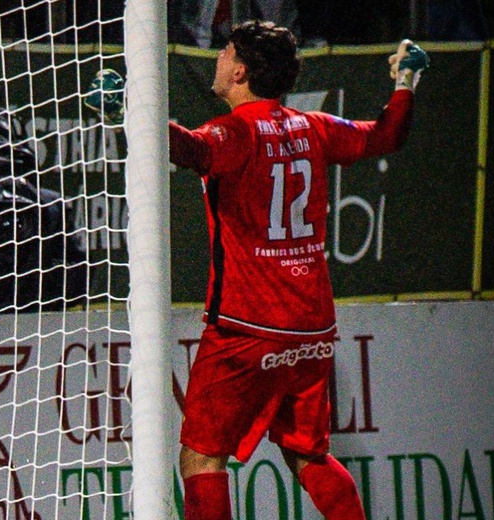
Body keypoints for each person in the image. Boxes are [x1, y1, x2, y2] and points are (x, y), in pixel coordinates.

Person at [165, 20, 428, 520]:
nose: (217, 60)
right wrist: (405, 81)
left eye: (224, 51)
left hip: (245, 329)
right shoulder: (314, 125)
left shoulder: (234, 130)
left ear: (240, 71)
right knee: (307, 452)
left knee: (201, 457)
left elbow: (191, 149)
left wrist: (129, 114)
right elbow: (387, 135)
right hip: (311, 328)